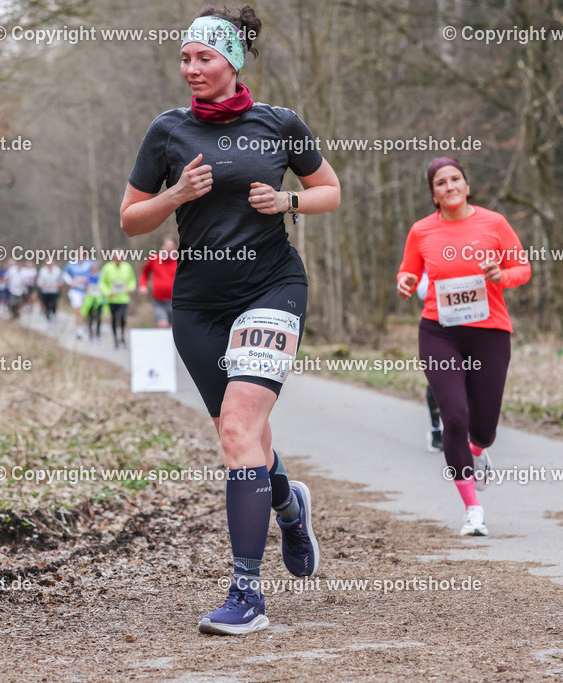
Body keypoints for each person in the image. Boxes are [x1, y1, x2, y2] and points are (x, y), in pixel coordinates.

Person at [120, 5, 340, 636]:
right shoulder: (167, 131)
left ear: (232, 62)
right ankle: (289, 508)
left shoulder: (279, 123)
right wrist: (176, 196)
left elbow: (331, 190)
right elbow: (132, 218)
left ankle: (247, 594)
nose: (191, 69)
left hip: (272, 287)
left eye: (204, 57)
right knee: (240, 435)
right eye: (185, 58)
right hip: (198, 303)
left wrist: (289, 199)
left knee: (240, 427)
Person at [396, 157, 530, 537]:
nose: (450, 186)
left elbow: (523, 269)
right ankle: (473, 508)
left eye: (456, 179)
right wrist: (405, 282)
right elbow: (408, 271)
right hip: (440, 331)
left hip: (489, 331)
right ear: (434, 194)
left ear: (467, 186)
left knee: (483, 429)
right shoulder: (421, 230)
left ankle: (477, 452)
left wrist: (500, 275)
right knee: (454, 417)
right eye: (441, 182)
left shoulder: (494, 223)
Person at [417, 272, 443, 452]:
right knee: (437, 378)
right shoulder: (428, 245)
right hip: (438, 324)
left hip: (475, 323)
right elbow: (421, 291)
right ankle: (436, 430)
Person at [139, 237, 179, 328]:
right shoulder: (154, 258)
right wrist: (142, 285)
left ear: (175, 248)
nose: (168, 248)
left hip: (176, 302)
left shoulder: (179, 260)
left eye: (170, 246)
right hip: (159, 301)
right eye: (166, 245)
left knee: (174, 329)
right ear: (162, 247)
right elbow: (145, 273)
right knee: (163, 325)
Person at [99, 255, 137, 348]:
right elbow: (102, 282)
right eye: (116, 258)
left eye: (120, 258)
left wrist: (131, 288)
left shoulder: (127, 267)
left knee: (122, 316)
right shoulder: (107, 267)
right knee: (114, 318)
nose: (118, 260)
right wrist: (107, 292)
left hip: (124, 298)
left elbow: (132, 279)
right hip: (112, 299)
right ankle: (115, 338)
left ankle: (123, 335)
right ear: (113, 258)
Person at [62, 257, 98, 338]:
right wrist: (70, 282)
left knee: (86, 311)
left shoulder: (89, 263)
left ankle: (85, 327)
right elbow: (64, 273)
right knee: (78, 310)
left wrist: (90, 282)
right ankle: (79, 330)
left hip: (87, 291)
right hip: (75, 290)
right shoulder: (71, 263)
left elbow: (95, 271)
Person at [36, 258, 63, 322]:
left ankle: (53, 314)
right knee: (46, 304)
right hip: (45, 291)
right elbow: (39, 283)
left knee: (54, 303)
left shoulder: (58, 271)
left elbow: (61, 282)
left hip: (54, 291)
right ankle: (47, 314)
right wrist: (45, 285)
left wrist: (56, 285)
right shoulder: (42, 271)